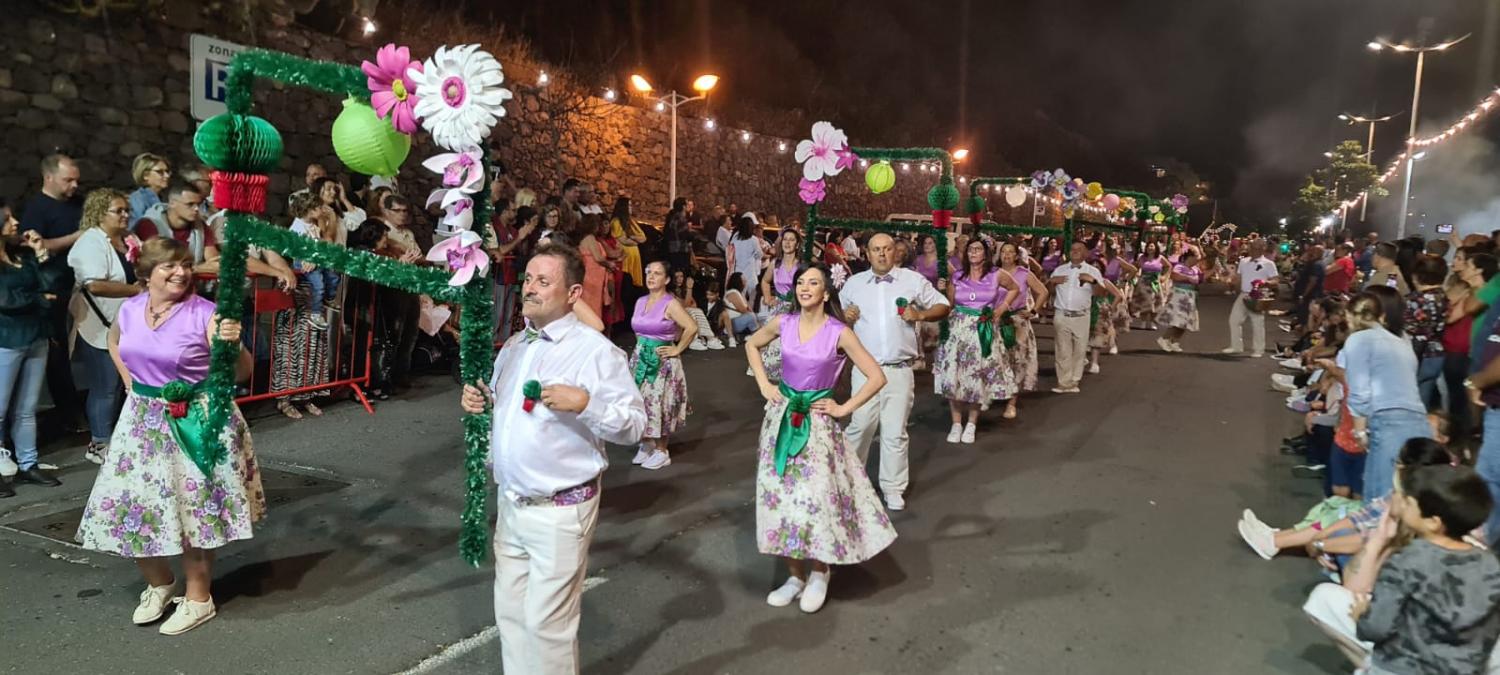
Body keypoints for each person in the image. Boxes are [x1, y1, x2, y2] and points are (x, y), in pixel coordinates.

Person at [459, 242, 645, 675]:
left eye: (544, 281)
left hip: (560, 511)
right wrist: (481, 402)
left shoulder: (595, 352)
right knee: (511, 617)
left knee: (548, 627)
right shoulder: (514, 348)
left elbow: (635, 425)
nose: (530, 288)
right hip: (513, 504)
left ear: (574, 293)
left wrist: (585, 404)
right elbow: (506, 415)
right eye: (528, 279)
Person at [75, 237, 262, 635]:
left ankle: (199, 598)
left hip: (195, 419)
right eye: (169, 266)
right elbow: (114, 341)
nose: (181, 272)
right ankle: (161, 584)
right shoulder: (129, 309)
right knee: (132, 508)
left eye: (186, 264)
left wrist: (235, 346)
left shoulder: (206, 314)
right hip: (142, 421)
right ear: (145, 274)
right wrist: (130, 383)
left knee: (191, 511)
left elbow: (243, 372)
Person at [745, 263, 896, 614]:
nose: (805, 287)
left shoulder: (838, 331)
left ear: (826, 293)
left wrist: (845, 408)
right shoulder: (783, 323)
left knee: (817, 499)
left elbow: (876, 376)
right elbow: (752, 344)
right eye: (800, 282)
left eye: (813, 282)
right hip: (780, 420)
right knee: (780, 497)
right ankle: (794, 576)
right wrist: (765, 384)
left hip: (817, 426)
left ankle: (820, 572)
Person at [1303, 465, 1500, 674]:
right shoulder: (1489, 562)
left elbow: (1375, 628)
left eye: (1408, 502)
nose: (1400, 501)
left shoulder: (1410, 559)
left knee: (1325, 599)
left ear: (1433, 522)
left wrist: (1362, 616)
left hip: (1405, 667)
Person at [839, 233, 950, 511]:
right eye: (876, 250)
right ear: (867, 253)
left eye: (887, 249)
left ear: (895, 251)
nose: (882, 254)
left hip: (899, 370)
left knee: (894, 431)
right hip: (865, 371)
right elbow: (832, 320)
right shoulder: (853, 284)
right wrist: (845, 318)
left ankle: (892, 488)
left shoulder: (911, 280)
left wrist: (920, 315)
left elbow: (943, 305)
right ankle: (851, 483)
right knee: (860, 426)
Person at [68, 188, 142, 464]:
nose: (125, 215)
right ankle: (99, 442)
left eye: (126, 210)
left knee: (127, 383)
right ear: (99, 213)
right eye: (118, 211)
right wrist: (135, 290)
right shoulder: (90, 243)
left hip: (127, 324)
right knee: (105, 386)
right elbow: (94, 284)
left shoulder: (128, 239)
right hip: (99, 324)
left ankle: (122, 437)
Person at [0, 201, 68, 495]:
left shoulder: (22, 255)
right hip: (7, 339)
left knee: (27, 408)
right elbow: (7, 301)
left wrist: (42, 254)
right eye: (7, 218)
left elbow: (53, 283)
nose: (16, 222)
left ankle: (28, 464)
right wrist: (41, 300)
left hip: (36, 336)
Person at [1343, 287, 1430, 501]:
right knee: (1401, 498)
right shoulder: (1403, 339)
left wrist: (1359, 431)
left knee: (1379, 499)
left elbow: (1359, 390)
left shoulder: (1359, 340)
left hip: (1388, 421)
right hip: (1418, 421)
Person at [933, 237, 1018, 443]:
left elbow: (1015, 289)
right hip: (958, 330)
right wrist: (942, 289)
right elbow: (949, 304)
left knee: (977, 375)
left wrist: (1000, 309)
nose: (972, 252)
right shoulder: (958, 276)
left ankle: (971, 422)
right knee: (955, 375)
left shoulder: (997, 274)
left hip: (982, 328)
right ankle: (955, 423)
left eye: (977, 249)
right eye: (970, 249)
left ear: (986, 253)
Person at [24, 154, 85, 434]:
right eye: (67, 180)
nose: (74, 185)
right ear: (49, 177)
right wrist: (78, 236)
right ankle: (67, 414)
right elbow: (38, 246)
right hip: (55, 289)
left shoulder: (76, 204)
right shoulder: (36, 210)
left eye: (76, 180)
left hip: (80, 285)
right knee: (58, 355)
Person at [629, 261, 696, 471]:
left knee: (661, 402)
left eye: (657, 274)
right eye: (649, 272)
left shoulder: (670, 303)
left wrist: (676, 349)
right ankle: (647, 440)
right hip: (641, 357)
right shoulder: (640, 301)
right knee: (641, 401)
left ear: (666, 279)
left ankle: (661, 449)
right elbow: (638, 329)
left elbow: (691, 327)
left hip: (662, 361)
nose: (651, 276)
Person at [996, 241, 1047, 420]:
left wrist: (1033, 311)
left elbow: (1043, 292)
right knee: (997, 358)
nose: (1007, 255)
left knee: (1016, 360)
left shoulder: (1024, 274)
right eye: (1003, 252)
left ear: (1016, 255)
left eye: (1010, 252)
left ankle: (1012, 402)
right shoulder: (993, 273)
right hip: (997, 320)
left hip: (1017, 320)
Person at [1048, 241, 1102, 392]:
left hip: (1082, 315)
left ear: (1086, 253)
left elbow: (1101, 293)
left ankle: (1074, 381)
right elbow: (1049, 291)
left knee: (1079, 350)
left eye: (1079, 249)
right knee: (1062, 349)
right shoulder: (1059, 270)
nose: (1075, 252)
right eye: (1072, 249)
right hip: (1061, 314)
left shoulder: (1093, 271)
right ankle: (1064, 382)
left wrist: (1093, 281)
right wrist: (1052, 282)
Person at [134, 184, 220, 272]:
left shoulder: (200, 225)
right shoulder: (149, 224)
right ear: (172, 203)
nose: (196, 209)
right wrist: (196, 268)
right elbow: (159, 267)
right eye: (190, 204)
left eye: (198, 204)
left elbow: (214, 262)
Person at [755, 229, 802, 380]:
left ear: (797, 244)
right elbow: (765, 281)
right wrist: (768, 298)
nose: (787, 243)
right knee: (772, 345)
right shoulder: (776, 264)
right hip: (779, 309)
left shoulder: (802, 265)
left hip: (797, 310)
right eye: (785, 239)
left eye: (791, 240)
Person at [1404, 254, 1448, 410]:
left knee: (1409, 401)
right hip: (1436, 354)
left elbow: (1414, 333)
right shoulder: (1443, 297)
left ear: (1416, 276)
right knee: (1424, 400)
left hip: (1415, 356)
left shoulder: (1415, 300)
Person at [1224, 240, 1278, 358]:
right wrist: (1231, 280)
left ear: (1263, 249)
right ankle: (1236, 346)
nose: (1254, 250)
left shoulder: (1269, 264)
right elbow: (1238, 276)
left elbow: (1276, 280)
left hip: (1258, 295)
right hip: (1244, 294)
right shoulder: (1243, 261)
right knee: (1234, 320)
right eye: (1252, 247)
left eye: (1257, 248)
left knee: (1257, 323)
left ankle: (1258, 349)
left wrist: (1266, 282)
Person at [1154, 247, 1203, 354]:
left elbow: (1201, 279)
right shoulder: (1180, 266)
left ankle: (1173, 342)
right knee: (1178, 321)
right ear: (1190, 257)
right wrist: (1188, 278)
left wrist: (1213, 270)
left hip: (1191, 296)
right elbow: (1174, 276)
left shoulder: (1195, 269)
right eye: (1197, 256)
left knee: (1185, 322)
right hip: (1180, 296)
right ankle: (1164, 338)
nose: (1199, 258)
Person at [726, 215, 764, 310]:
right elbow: (760, 254)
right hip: (750, 273)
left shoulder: (735, 239)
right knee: (753, 296)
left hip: (738, 272)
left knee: (739, 297)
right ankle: (752, 315)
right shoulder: (753, 240)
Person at [1130, 241, 1168, 330]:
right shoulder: (1142, 258)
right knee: (1145, 301)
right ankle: (1143, 321)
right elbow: (1135, 267)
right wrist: (1134, 275)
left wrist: (1164, 276)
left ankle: (1152, 322)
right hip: (1143, 281)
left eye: (1152, 246)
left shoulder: (1160, 258)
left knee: (1155, 302)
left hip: (1155, 282)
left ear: (1155, 248)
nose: (1150, 248)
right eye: (1148, 246)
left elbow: (1168, 266)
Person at [609, 197, 646, 288]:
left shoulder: (631, 221)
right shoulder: (616, 222)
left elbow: (643, 238)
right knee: (625, 284)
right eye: (629, 205)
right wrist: (636, 241)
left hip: (634, 258)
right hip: (626, 258)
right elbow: (623, 240)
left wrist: (632, 236)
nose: (631, 207)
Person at [127, 153, 171, 224]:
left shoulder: (166, 198)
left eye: (167, 171)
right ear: (145, 175)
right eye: (160, 172)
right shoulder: (138, 199)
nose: (167, 176)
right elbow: (137, 226)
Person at [719, 272, 758, 347]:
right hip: (730, 323)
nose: (746, 282)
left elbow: (749, 308)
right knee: (751, 316)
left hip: (737, 320)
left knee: (754, 316)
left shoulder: (739, 293)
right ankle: (755, 334)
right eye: (743, 280)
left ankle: (754, 334)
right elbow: (744, 310)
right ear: (738, 281)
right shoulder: (732, 293)